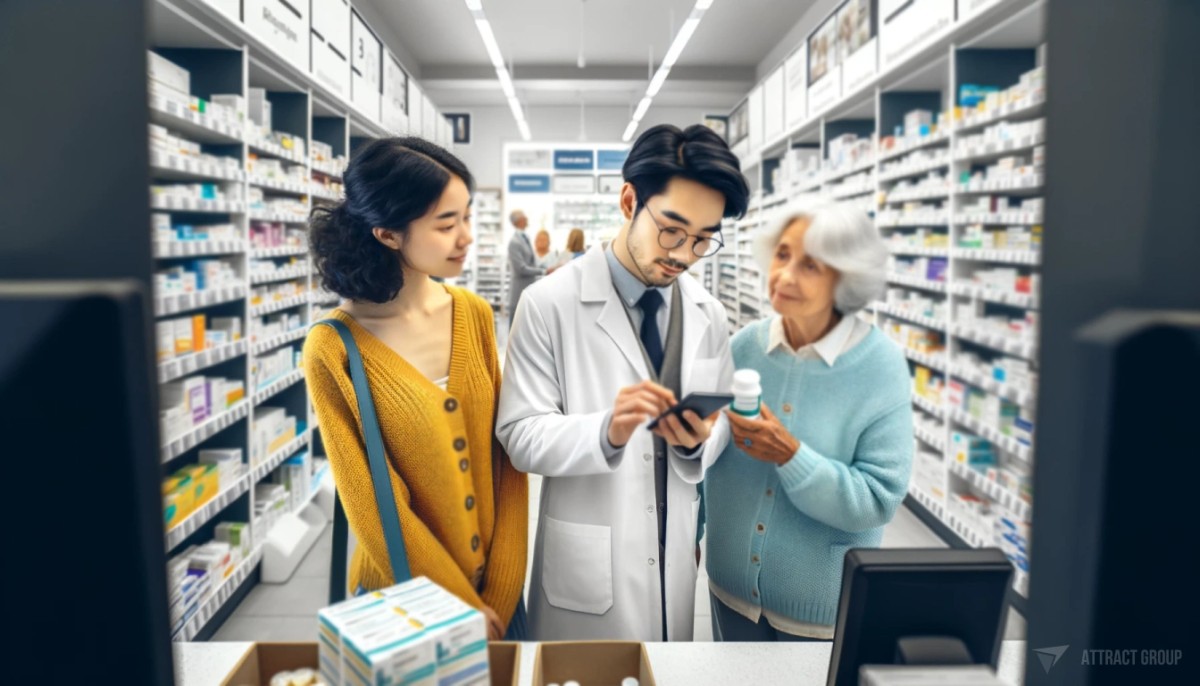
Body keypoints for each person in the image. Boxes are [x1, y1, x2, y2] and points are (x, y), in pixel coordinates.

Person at [496, 123, 750, 642]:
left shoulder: (710, 313)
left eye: (703, 240)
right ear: (629, 199)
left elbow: (720, 421)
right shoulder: (549, 303)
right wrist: (606, 430)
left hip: (673, 547)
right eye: (672, 230)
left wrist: (703, 437)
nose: (683, 254)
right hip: (589, 561)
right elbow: (520, 434)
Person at [303, 138, 528, 641]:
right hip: (402, 606)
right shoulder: (333, 350)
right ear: (387, 234)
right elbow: (370, 506)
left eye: (467, 216)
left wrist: (503, 591)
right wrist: (463, 606)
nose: (465, 236)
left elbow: (504, 459)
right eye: (446, 225)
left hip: (499, 600)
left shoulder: (471, 313)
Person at [702, 199, 914, 642]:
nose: (785, 275)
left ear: (847, 278)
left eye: (811, 266)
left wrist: (791, 455)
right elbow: (711, 461)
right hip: (730, 593)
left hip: (819, 615)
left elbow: (876, 500)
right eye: (782, 255)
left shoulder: (880, 367)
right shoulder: (743, 347)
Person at [506, 210, 554, 320]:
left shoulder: (525, 238)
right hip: (519, 293)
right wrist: (544, 271)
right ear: (519, 221)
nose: (527, 218)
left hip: (528, 292)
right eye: (524, 216)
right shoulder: (514, 242)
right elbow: (521, 269)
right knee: (515, 330)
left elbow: (531, 262)